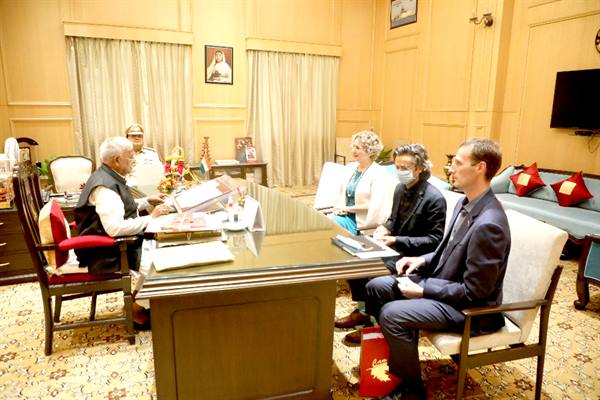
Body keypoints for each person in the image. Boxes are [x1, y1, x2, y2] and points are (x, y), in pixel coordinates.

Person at [364, 138, 511, 400]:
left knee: (392, 314)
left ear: (480, 168)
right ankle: (394, 353)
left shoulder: (490, 223)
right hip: (445, 284)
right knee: (376, 286)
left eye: (458, 163)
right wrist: (422, 259)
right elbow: (449, 249)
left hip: (471, 310)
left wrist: (423, 290)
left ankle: (412, 390)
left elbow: (475, 292)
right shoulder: (466, 202)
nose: (450, 168)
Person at [335, 144, 446, 343]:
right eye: (397, 167)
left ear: (420, 168)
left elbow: (434, 240)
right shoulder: (400, 188)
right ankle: (365, 312)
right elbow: (393, 220)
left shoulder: (434, 198)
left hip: (415, 256)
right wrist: (384, 228)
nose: (400, 172)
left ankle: (376, 326)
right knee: (354, 261)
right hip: (393, 248)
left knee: (372, 273)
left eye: (405, 168)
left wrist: (396, 239)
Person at [74, 137, 170, 330]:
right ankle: (135, 309)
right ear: (117, 160)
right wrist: (151, 218)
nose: (134, 161)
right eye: (130, 157)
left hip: (118, 242)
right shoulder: (105, 188)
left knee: (162, 253)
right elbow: (115, 228)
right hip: (107, 251)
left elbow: (122, 207)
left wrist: (147, 201)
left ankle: (137, 301)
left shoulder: (107, 175)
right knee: (161, 267)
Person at [330, 130, 387, 235]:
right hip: (343, 215)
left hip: (361, 223)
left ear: (370, 151)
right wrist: (338, 208)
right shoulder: (351, 168)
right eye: (353, 146)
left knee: (329, 226)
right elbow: (341, 194)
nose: (353, 150)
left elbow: (375, 205)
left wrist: (348, 208)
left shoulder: (379, 173)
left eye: (357, 148)